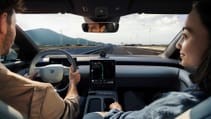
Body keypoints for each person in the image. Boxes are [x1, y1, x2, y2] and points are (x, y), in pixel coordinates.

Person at [83, 0, 211, 118]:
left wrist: (115, 110)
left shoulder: (175, 106)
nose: (178, 45)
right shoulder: (202, 99)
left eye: (186, 36)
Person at [0, 0, 81, 119]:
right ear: (2, 23)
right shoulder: (40, 93)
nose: (15, 31)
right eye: (14, 24)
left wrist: (24, 81)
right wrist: (73, 83)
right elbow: (70, 112)